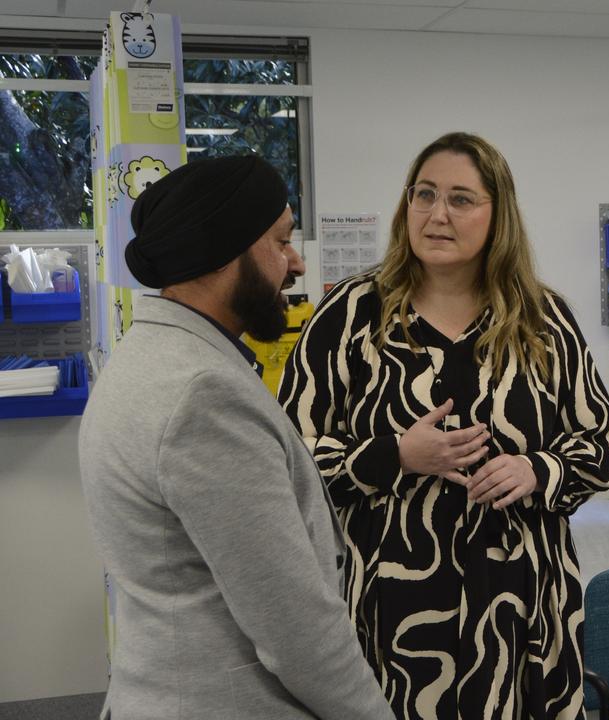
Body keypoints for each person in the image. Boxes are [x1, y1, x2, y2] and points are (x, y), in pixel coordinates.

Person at [278, 132, 609, 720]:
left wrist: (537, 468)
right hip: (395, 616)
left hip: (525, 610)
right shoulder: (350, 315)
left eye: (461, 199)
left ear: (498, 215)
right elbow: (285, 455)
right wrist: (395, 455)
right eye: (424, 194)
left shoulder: (544, 318)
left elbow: (599, 444)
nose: (437, 214)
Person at [78, 156, 396, 720]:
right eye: (281, 240)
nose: (295, 262)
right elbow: (294, 626)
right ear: (225, 250)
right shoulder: (203, 396)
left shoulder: (145, 358)